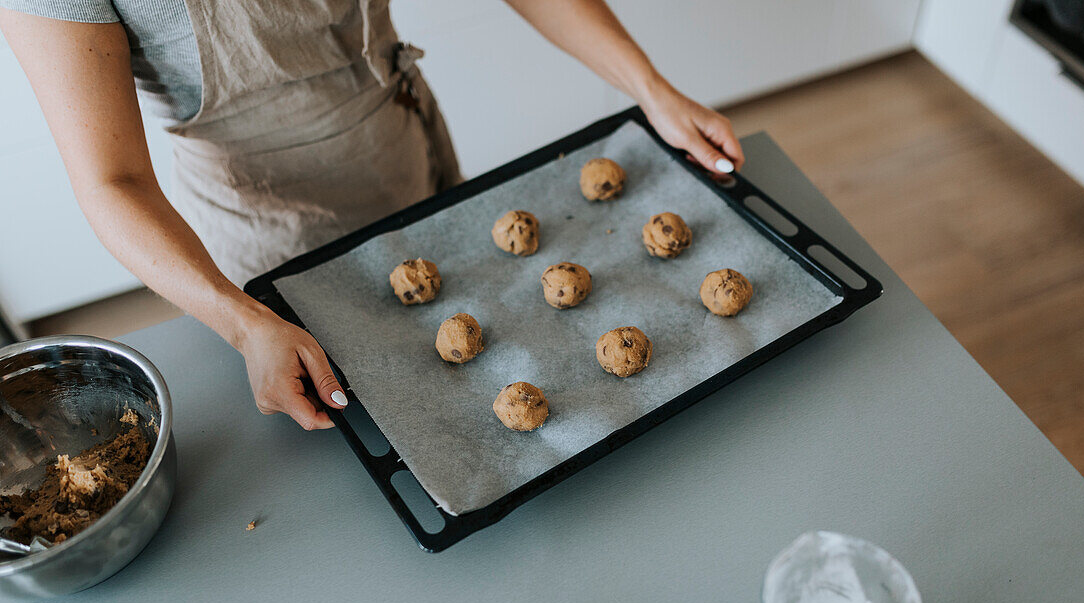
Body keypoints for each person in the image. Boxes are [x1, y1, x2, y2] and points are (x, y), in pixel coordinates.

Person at [0, 0, 744, 430]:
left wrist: (650, 87)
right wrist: (242, 323)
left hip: (409, 149)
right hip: (271, 231)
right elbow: (112, 180)